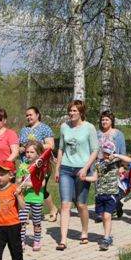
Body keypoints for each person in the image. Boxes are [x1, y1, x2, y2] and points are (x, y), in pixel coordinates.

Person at [55, 100, 99, 250]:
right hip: (66, 169)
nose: (71, 113)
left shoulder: (89, 127)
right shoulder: (64, 127)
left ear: (81, 112)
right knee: (65, 204)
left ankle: (84, 232)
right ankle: (63, 239)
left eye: (74, 111)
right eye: (70, 110)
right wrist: (57, 169)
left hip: (82, 170)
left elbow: (95, 150)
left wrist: (86, 168)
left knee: (80, 204)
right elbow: (61, 149)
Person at [84, 142, 131, 250]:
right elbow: (95, 178)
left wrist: (116, 155)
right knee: (104, 217)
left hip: (111, 194)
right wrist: (84, 178)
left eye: (108, 153)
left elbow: (129, 160)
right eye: (104, 153)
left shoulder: (116, 162)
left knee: (107, 216)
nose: (106, 155)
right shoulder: (99, 163)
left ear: (112, 153)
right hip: (100, 194)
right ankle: (108, 236)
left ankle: (105, 239)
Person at [18, 106, 58, 222]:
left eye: (30, 114)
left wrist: (34, 146)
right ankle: (24, 213)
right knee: (24, 188)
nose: (28, 117)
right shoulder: (24, 129)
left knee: (40, 188)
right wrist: (21, 149)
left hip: (40, 165)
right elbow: (20, 145)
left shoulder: (44, 128)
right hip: (25, 164)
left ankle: (53, 208)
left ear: (37, 115)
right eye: (27, 115)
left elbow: (51, 145)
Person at [16, 141, 48, 251]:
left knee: (36, 220)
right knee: (21, 221)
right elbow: (18, 180)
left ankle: (36, 240)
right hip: (24, 198)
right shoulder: (23, 166)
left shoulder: (41, 167)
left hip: (36, 198)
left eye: (32, 152)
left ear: (39, 153)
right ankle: (21, 241)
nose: (28, 154)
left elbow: (42, 184)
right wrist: (20, 180)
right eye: (27, 152)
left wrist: (29, 184)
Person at [96, 110, 126, 221]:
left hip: (114, 165)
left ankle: (115, 207)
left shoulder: (118, 134)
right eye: (102, 120)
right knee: (100, 189)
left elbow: (122, 152)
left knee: (112, 190)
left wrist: (122, 167)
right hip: (99, 165)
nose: (104, 122)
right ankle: (101, 213)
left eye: (106, 120)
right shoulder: (97, 134)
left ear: (111, 121)